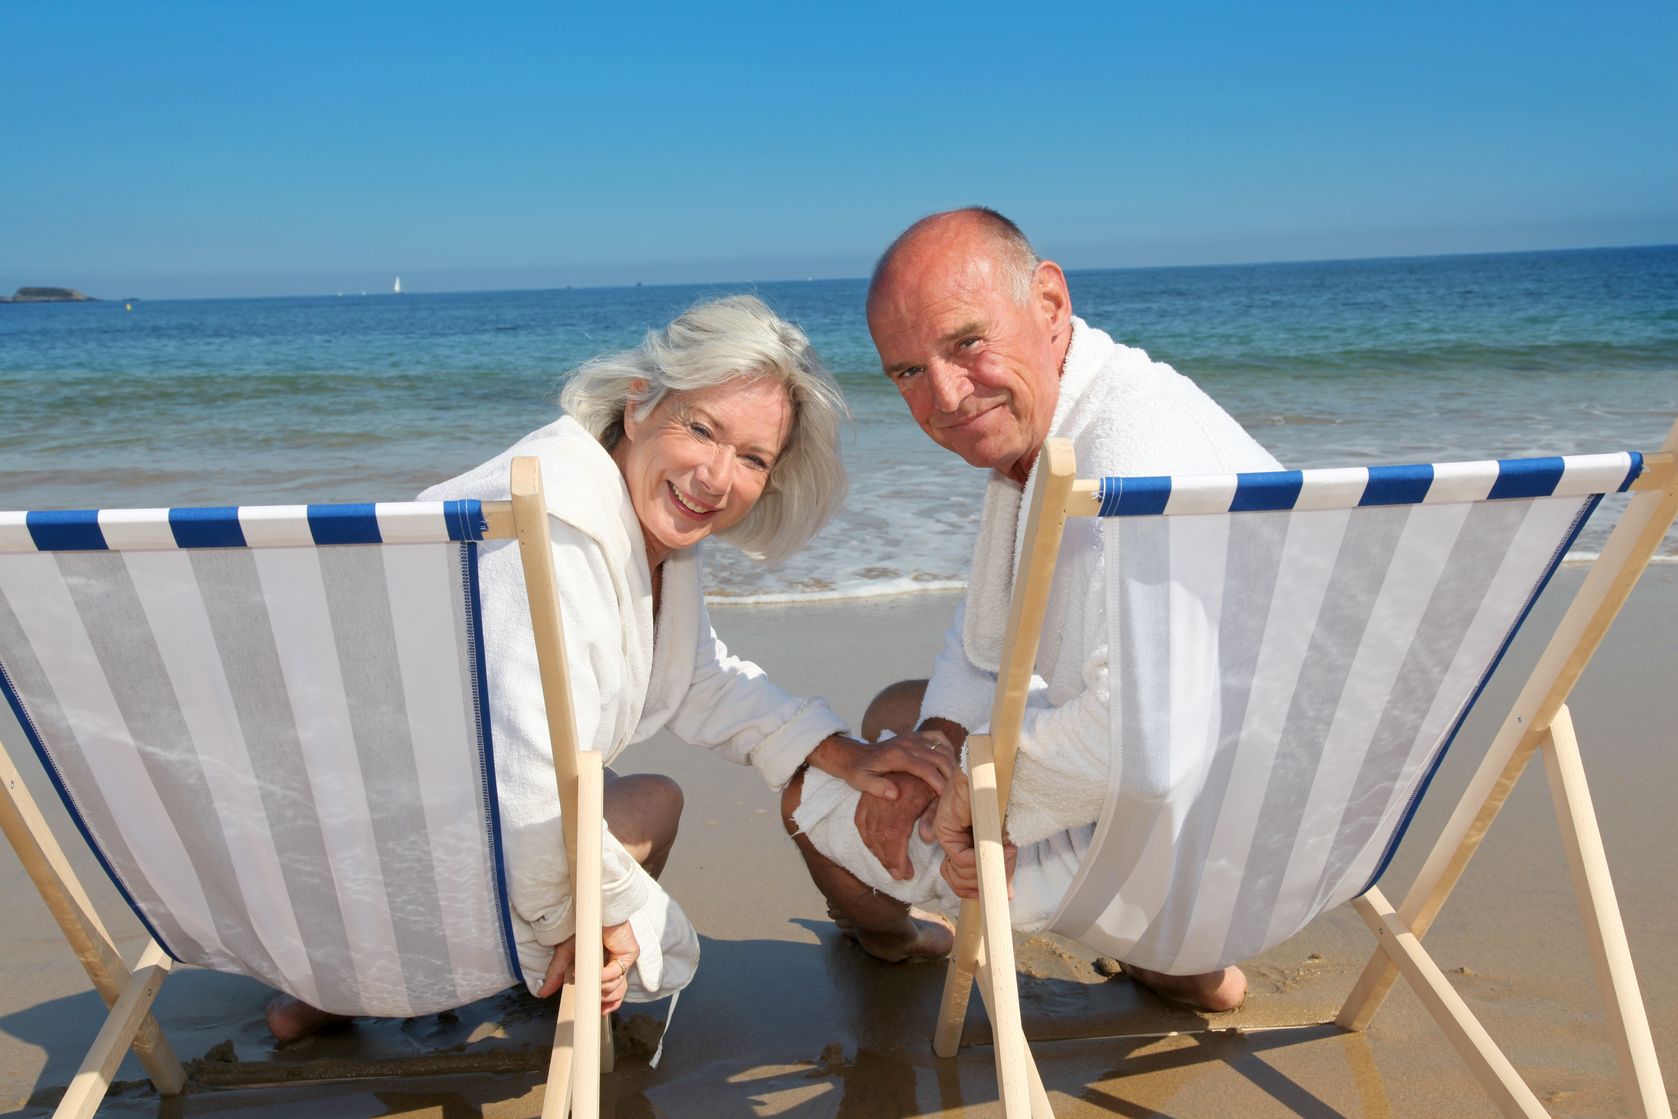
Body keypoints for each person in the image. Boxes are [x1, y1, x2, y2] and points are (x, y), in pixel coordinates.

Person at [268, 294, 954, 1041]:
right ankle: (452, 969)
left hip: (327, 863)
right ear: (638, 405)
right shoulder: (549, 530)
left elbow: (696, 679)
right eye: (701, 428)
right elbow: (523, 788)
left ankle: (332, 984)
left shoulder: (618, 514)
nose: (718, 478)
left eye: (752, 457)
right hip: (410, 883)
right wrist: (620, 913)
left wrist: (842, 751)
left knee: (621, 794)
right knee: (649, 802)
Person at [782, 209, 1280, 1012]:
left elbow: (1144, 737)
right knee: (908, 718)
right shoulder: (1082, 419)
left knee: (815, 790)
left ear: (1049, 302)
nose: (943, 395)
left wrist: (974, 796)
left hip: (1190, 855)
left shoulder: (1130, 458)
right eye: (907, 372)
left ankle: (893, 937)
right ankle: (1182, 967)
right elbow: (990, 647)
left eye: (965, 343)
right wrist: (946, 738)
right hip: (1287, 818)